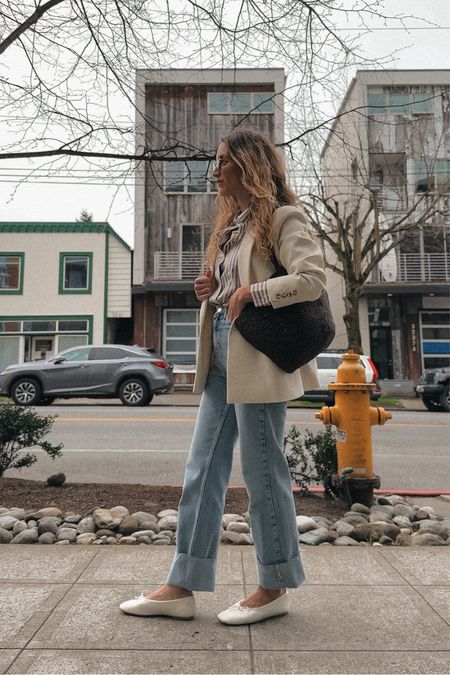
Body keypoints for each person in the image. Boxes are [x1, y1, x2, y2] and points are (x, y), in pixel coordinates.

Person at [120, 128, 326, 625]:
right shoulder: (232, 225)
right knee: (202, 468)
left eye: (222, 162)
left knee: (262, 473)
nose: (215, 171)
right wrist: (214, 286)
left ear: (249, 166)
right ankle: (182, 584)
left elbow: (313, 278)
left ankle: (274, 584)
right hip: (220, 357)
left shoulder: (283, 217)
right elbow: (236, 286)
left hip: (257, 359)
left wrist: (251, 293)